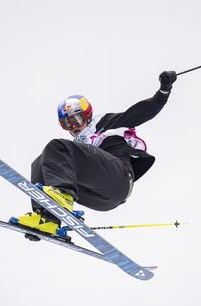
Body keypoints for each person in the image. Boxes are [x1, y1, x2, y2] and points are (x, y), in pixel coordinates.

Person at [15, 71, 177, 235]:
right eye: (66, 124)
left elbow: (142, 112)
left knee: (56, 147)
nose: (73, 127)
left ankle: (63, 193)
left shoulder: (106, 123)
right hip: (99, 199)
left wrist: (163, 91)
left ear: (88, 115)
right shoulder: (76, 150)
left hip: (118, 179)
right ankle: (46, 218)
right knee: (41, 162)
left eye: (76, 120)